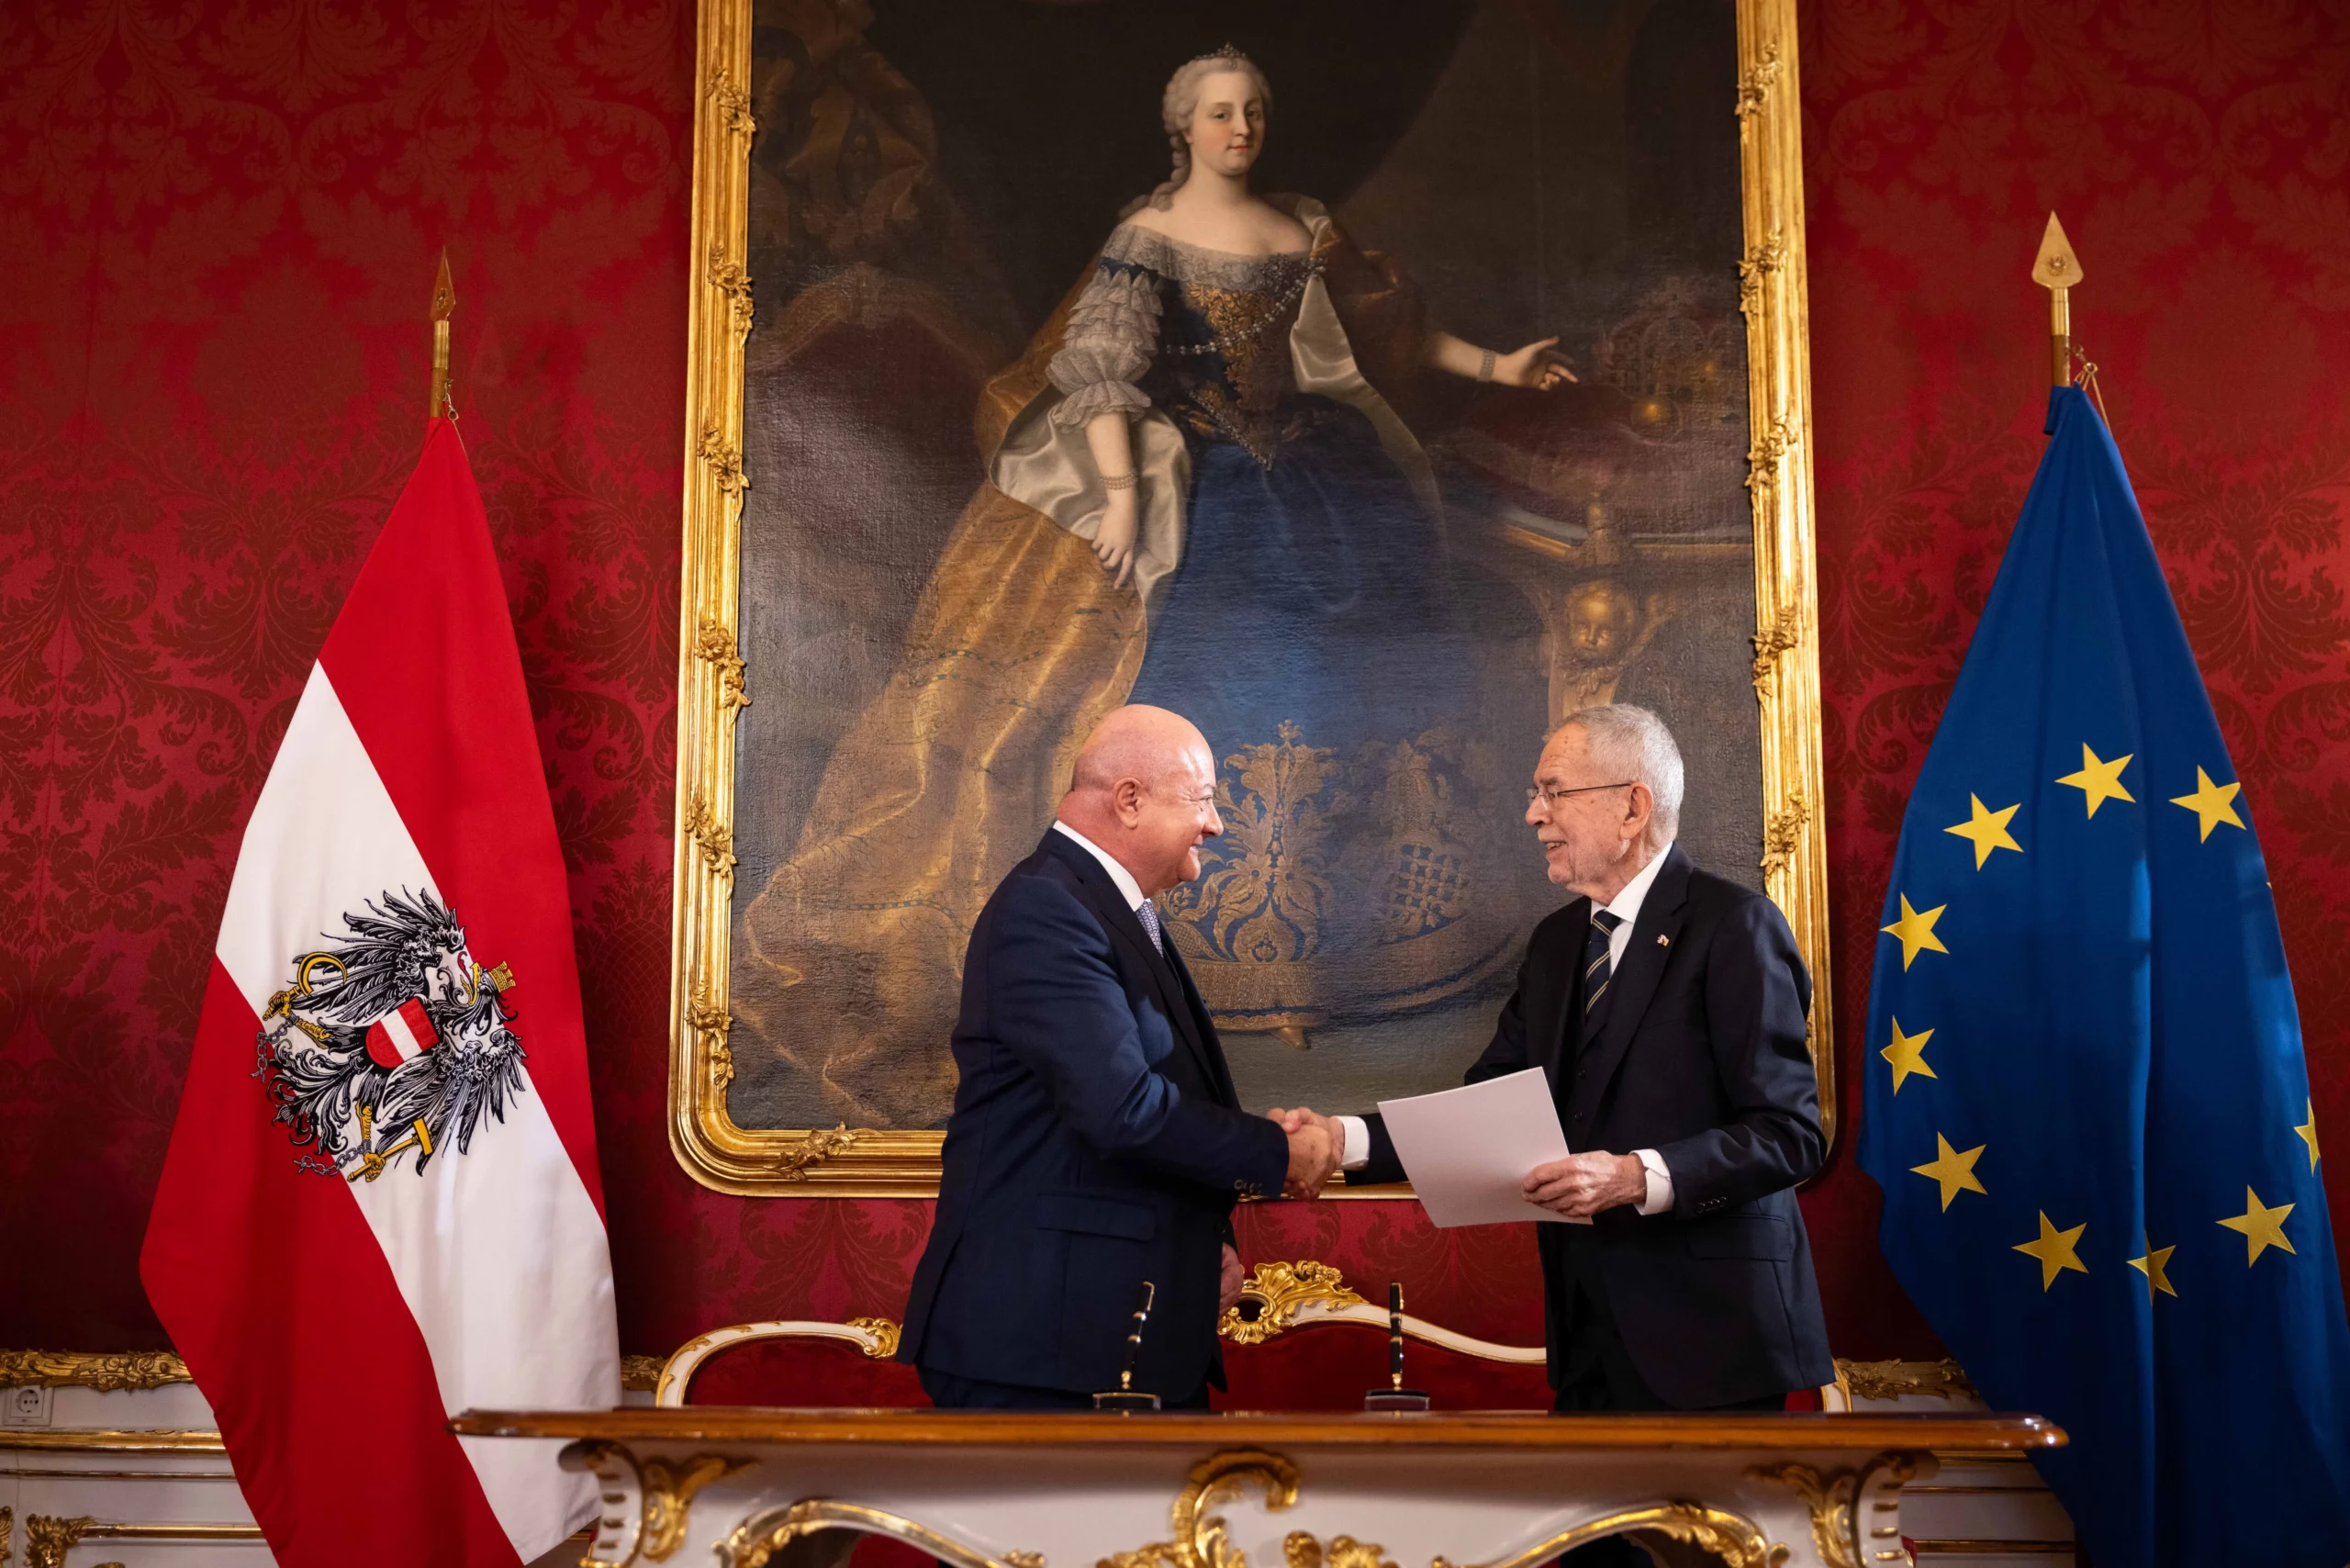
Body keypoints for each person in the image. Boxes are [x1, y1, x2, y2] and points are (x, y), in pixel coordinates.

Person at [737, 46, 1571, 1127]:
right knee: (1218, 637)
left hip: (1320, 469)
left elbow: (1385, 332)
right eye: (1222, 114)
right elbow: (1102, 377)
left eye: (1254, 113)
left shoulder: (1301, 225)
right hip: (1197, 476)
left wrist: (1498, 368)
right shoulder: (1148, 241)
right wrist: (1126, 505)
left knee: (1372, 643)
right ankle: (1206, 964)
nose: (1241, 131)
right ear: (1184, 127)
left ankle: (1367, 951)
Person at [1285, 704, 1832, 1426]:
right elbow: (1483, 1110)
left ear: (1632, 807)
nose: (1533, 815)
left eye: (1552, 792)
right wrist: (1341, 1140)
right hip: (1588, 1339)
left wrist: (1636, 1176)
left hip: (1714, 1344)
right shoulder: (1555, 945)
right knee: (1598, 1547)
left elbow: (1790, 1133)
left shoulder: (1735, 926)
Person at [899, 705, 1343, 1410]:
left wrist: (1203, 1241)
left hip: (1105, 1333)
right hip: (1046, 1351)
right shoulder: (1048, 910)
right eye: (1202, 800)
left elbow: (1150, 1103)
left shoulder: (1103, 908)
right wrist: (1280, 1153)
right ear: (1129, 800)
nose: (1217, 824)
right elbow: (1121, 1110)